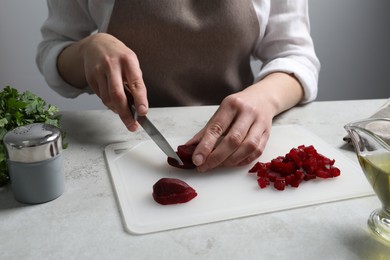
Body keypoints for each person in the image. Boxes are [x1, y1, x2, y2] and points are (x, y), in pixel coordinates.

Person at [36, 0, 320, 172]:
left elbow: (296, 56)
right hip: (128, 141)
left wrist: (264, 99)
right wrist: (87, 49)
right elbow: (52, 50)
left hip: (238, 138)